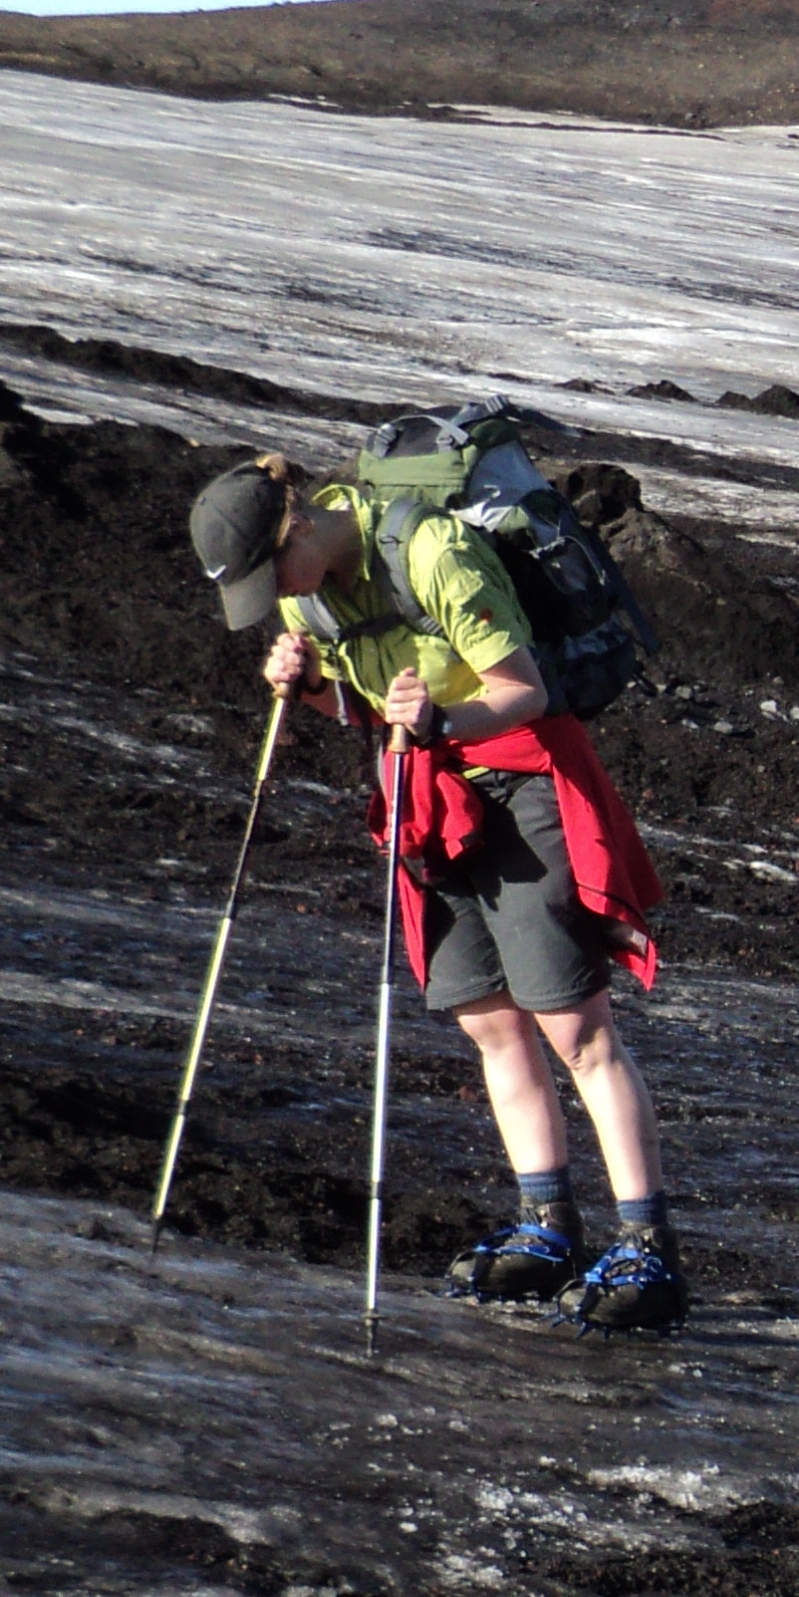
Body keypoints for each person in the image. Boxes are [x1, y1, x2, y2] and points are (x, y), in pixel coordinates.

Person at [186, 452, 685, 1332]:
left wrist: (443, 721)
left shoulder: (433, 550)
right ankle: (549, 1229)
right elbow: (374, 709)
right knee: (489, 1020)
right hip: (429, 798)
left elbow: (523, 691)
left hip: (521, 785)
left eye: (272, 576)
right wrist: (308, 691)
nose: (277, 599)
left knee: (576, 1028)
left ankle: (648, 1247)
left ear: (295, 525)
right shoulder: (309, 591)